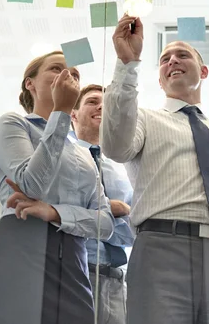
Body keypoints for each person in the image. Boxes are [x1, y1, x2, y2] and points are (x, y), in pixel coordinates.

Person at [100, 14, 209, 324]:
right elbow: (114, 146)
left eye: (183, 55)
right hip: (162, 249)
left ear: (204, 70)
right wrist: (127, 65)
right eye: (165, 58)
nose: (172, 60)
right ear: (160, 79)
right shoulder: (144, 118)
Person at [0, 51, 115, 324]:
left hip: (74, 259)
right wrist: (61, 112)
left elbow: (106, 223)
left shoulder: (83, 154)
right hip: (20, 244)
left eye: (75, 74)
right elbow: (32, 185)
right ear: (30, 83)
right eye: (57, 69)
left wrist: (54, 212)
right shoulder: (13, 123)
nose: (68, 76)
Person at [71, 84, 134, 324]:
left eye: (105, 104)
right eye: (91, 101)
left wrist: (101, 214)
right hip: (77, 276)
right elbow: (63, 216)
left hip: (118, 282)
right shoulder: (62, 161)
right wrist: (112, 211)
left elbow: (132, 233)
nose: (100, 106)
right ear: (73, 115)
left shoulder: (123, 170)